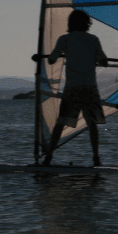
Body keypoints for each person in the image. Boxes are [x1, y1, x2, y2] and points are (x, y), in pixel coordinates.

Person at [37, 9, 109, 166]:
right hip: (90, 88)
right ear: (87, 24)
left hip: (72, 89)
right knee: (93, 124)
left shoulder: (64, 39)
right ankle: (96, 158)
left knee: (60, 123)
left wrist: (49, 56)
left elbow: (51, 60)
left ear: (70, 23)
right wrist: (97, 59)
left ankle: (48, 157)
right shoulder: (93, 39)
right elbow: (104, 61)